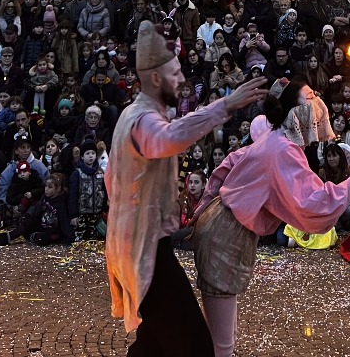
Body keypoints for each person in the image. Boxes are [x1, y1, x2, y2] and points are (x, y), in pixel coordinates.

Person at [191, 77, 350, 357]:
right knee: (221, 344)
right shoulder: (282, 148)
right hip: (226, 232)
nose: (317, 103)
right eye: (310, 98)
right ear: (295, 112)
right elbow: (313, 204)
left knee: (223, 338)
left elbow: (229, 164)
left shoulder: (274, 138)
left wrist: (203, 209)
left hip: (225, 227)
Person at [104, 21, 266, 356]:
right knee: (194, 347)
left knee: (155, 345)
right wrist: (225, 105)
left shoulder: (132, 114)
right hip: (145, 253)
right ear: (155, 78)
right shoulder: (143, 120)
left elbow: (111, 178)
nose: (181, 80)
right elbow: (170, 138)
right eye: (175, 73)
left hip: (140, 246)